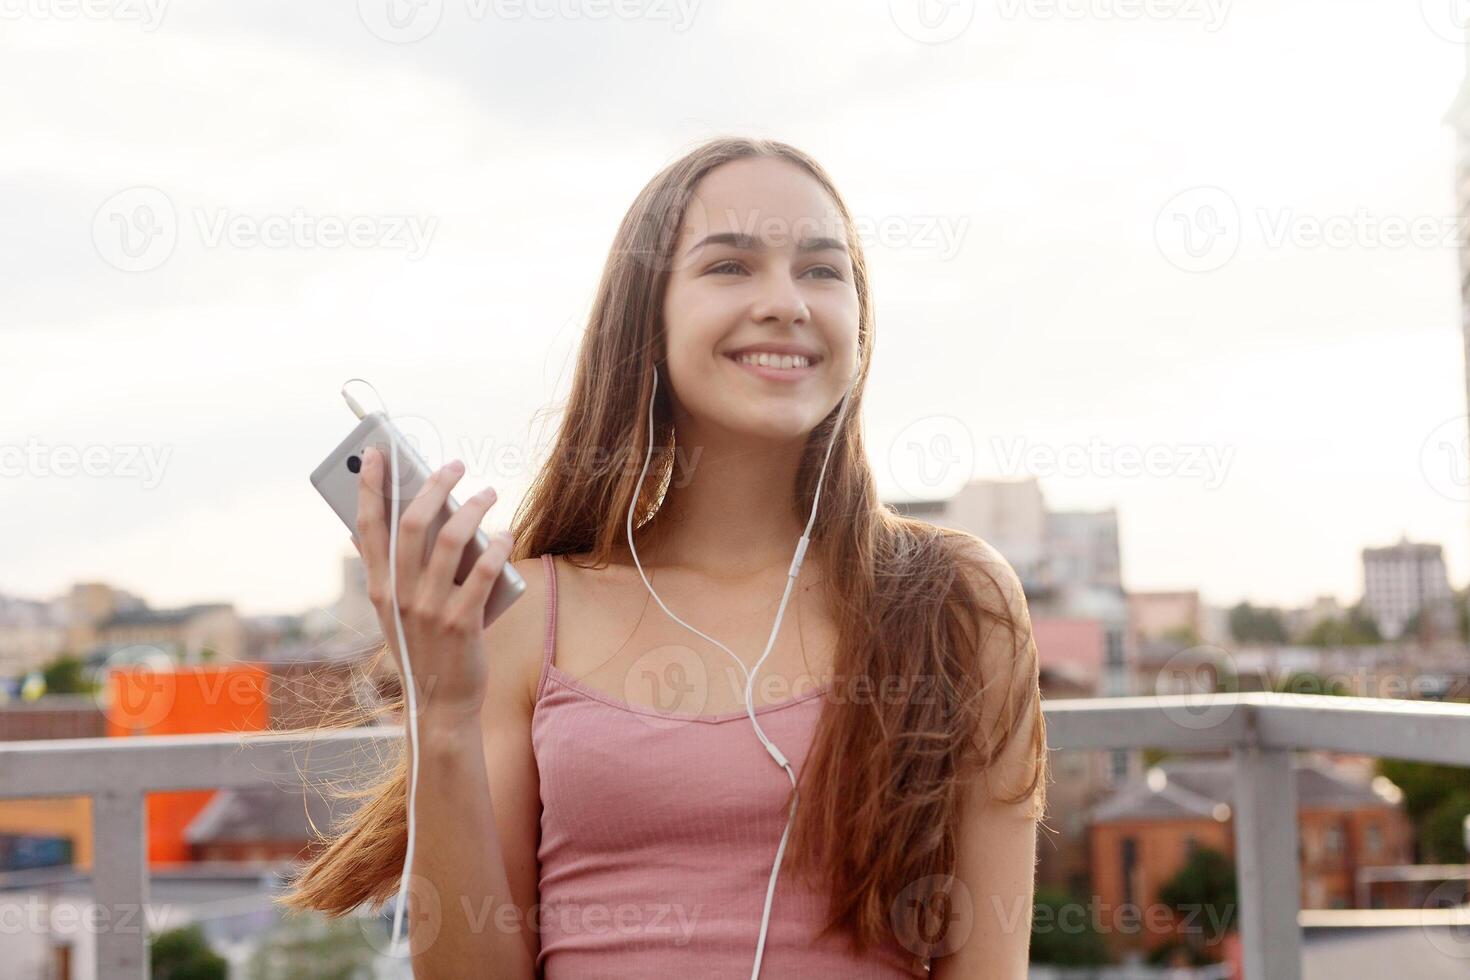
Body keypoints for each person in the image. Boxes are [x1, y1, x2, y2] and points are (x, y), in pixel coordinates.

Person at [279, 136, 1050, 979]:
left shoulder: (956, 602)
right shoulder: (523, 616)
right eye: (730, 266)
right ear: (647, 318)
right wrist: (442, 713)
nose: (786, 301)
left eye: (823, 271)